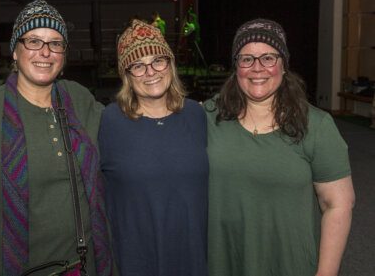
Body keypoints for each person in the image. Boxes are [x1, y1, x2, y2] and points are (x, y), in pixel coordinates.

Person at [0, 0, 113, 276]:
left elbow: (126, 125)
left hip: (81, 265)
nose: (45, 52)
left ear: (63, 55)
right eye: (33, 41)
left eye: (55, 43)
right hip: (11, 268)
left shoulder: (79, 99)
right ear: (15, 52)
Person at [205, 18, 355, 276]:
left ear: (283, 64)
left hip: (289, 265)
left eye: (268, 58)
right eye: (246, 59)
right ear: (236, 67)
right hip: (224, 263)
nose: (257, 68)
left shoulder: (316, 125)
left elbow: (338, 204)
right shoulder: (208, 118)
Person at [98, 19, 208, 276]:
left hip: (193, 256)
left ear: (171, 64)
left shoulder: (197, 115)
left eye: (158, 60)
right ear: (126, 75)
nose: (150, 72)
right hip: (134, 260)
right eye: (137, 65)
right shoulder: (110, 121)